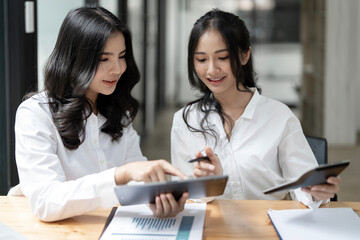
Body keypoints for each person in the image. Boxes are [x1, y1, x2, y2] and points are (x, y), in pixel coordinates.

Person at [14, 6, 188, 222]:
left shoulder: (118, 113)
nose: (117, 69)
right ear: (75, 58)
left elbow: (137, 179)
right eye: (104, 59)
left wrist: (157, 199)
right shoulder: (35, 114)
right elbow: (46, 202)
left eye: (122, 56)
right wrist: (119, 176)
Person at [171, 9, 340, 208]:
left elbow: (304, 186)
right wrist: (210, 186)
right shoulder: (185, 120)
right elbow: (183, 197)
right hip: (211, 231)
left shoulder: (279, 116)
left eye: (222, 57)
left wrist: (317, 191)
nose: (211, 69)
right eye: (201, 59)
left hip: (270, 228)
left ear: (244, 55)